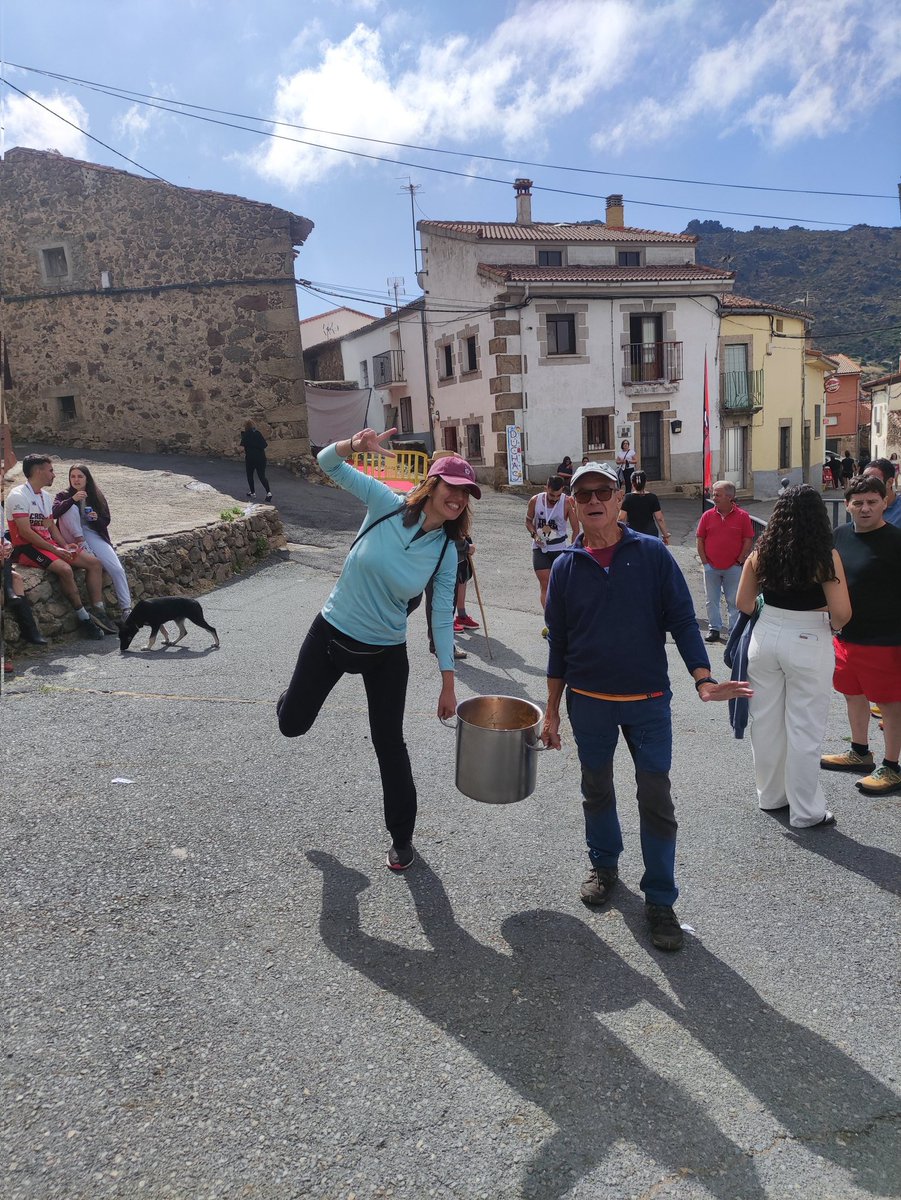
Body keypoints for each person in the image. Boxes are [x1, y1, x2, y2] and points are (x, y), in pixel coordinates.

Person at [541, 460, 751, 952]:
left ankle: (660, 900)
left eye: (603, 492)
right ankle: (605, 866)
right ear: (573, 504)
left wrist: (703, 676)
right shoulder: (566, 567)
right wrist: (551, 711)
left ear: (620, 499)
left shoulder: (653, 556)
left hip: (649, 704)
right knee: (596, 789)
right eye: (584, 494)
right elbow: (559, 649)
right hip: (589, 704)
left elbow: (681, 620)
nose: (594, 500)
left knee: (656, 799)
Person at [277, 427, 479, 870]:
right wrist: (353, 444)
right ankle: (289, 701)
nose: (459, 499)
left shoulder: (447, 551)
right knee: (292, 725)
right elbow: (327, 462)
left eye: (467, 494)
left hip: (386, 651)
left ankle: (402, 839)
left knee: (390, 744)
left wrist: (449, 684)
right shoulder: (386, 503)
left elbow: (442, 616)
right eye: (454, 488)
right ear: (433, 484)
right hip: (331, 633)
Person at [736, 486, 851, 828]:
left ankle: (770, 796)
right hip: (809, 635)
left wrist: (767, 610)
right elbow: (842, 613)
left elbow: (743, 604)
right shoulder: (825, 556)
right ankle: (806, 810)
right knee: (804, 726)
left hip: (766, 633)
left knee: (767, 721)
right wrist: (829, 625)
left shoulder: (762, 553)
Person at [820, 475, 901, 795]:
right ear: (848, 505)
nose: (865, 508)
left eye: (872, 501)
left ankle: (892, 766)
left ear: (884, 502)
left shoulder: (897, 541)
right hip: (847, 636)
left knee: (891, 703)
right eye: (858, 502)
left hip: (887, 640)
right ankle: (859, 752)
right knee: (852, 695)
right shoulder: (839, 535)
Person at [4, 455, 110, 639]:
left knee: (94, 563)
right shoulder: (18, 495)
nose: (54, 475)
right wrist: (56, 550)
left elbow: (50, 526)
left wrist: (64, 545)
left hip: (47, 545)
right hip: (27, 547)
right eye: (51, 470)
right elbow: (26, 532)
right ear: (38, 471)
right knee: (65, 569)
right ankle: (84, 618)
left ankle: (99, 611)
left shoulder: (45, 496)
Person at [52, 465, 132, 620]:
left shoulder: (95, 495)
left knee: (116, 568)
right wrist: (72, 500)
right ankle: (84, 547)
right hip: (71, 536)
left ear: (87, 478)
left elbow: (106, 520)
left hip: (92, 533)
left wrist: (96, 519)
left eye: (80, 476)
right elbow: (54, 512)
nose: (76, 480)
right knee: (71, 510)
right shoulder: (63, 495)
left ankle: (126, 608)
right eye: (73, 476)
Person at [696, 480, 754, 644]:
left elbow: (748, 540)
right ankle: (714, 629)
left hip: (733, 567)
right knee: (711, 600)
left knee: (734, 601)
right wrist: (705, 563)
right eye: (714, 494)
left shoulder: (742, 517)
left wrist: (739, 561)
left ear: (730, 497)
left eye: (717, 495)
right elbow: (700, 540)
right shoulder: (707, 516)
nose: (714, 497)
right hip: (711, 566)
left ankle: (733, 632)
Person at [525, 475, 579, 634]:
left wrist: (573, 548)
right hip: (540, 548)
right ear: (546, 489)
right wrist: (534, 535)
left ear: (562, 491)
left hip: (560, 549)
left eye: (557, 495)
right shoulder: (535, 500)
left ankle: (564, 619)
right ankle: (550, 622)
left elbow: (576, 529)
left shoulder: (567, 502)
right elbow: (528, 521)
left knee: (560, 587)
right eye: (551, 495)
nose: (554, 499)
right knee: (545, 585)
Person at [619, 471, 670, 544]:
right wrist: (665, 536)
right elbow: (660, 518)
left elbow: (621, 518)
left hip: (633, 533)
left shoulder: (628, 497)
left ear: (632, 483)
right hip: (650, 533)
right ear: (645, 482)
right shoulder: (653, 497)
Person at [862, 457, 901, 527]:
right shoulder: (861, 507)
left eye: (873, 481)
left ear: (889, 482)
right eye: (863, 480)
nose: (866, 485)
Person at [240, 420, 272, 502]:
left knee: (250, 475)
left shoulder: (245, 434)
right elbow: (264, 445)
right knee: (262, 476)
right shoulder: (258, 433)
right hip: (261, 458)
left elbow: (242, 446)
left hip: (250, 458)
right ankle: (268, 492)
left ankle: (253, 492)